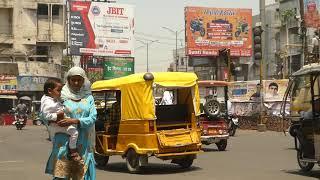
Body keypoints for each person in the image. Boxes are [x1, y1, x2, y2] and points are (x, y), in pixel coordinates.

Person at [45, 67, 97, 180]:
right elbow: (45, 113)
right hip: (62, 142)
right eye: (73, 80)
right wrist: (55, 119)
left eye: (79, 80)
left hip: (83, 143)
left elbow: (93, 118)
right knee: (62, 175)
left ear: (84, 81)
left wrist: (75, 121)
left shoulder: (89, 98)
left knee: (81, 175)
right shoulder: (60, 95)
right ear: (68, 80)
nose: (76, 83)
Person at [40, 78, 82, 163]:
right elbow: (46, 115)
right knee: (74, 132)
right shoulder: (47, 102)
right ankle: (73, 151)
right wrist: (58, 116)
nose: (60, 93)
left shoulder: (52, 99)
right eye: (59, 90)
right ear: (50, 91)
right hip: (57, 126)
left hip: (58, 126)